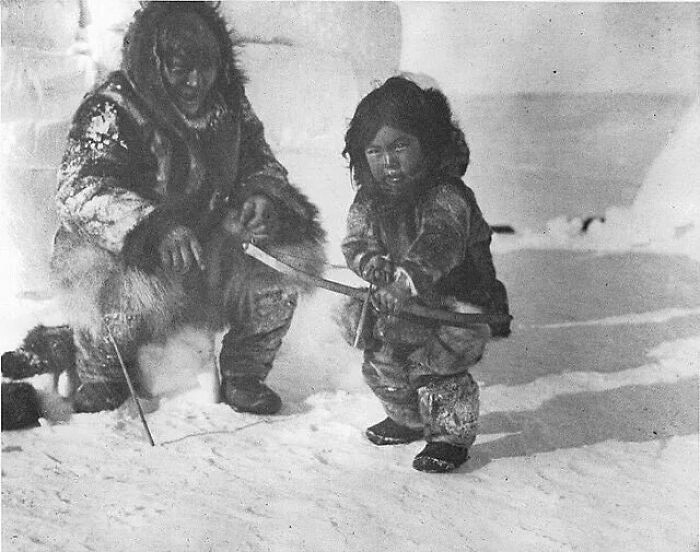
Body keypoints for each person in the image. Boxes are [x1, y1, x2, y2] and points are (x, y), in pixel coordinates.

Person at [3, 1, 325, 418]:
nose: (196, 81)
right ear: (153, 65)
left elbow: (260, 163)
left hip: (202, 252)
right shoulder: (112, 107)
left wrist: (262, 199)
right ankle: (100, 371)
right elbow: (81, 188)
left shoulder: (228, 105)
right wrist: (154, 227)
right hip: (122, 258)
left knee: (285, 267)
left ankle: (244, 374)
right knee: (120, 303)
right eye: (180, 68)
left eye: (206, 67)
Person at [340, 76, 510, 473]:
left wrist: (405, 280)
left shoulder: (447, 196)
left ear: (428, 143)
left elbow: (440, 243)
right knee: (382, 358)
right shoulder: (368, 200)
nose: (389, 161)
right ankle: (407, 418)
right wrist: (373, 264)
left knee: (436, 367)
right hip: (402, 302)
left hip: (457, 304)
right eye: (375, 151)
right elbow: (356, 242)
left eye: (400, 145)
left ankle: (449, 435)